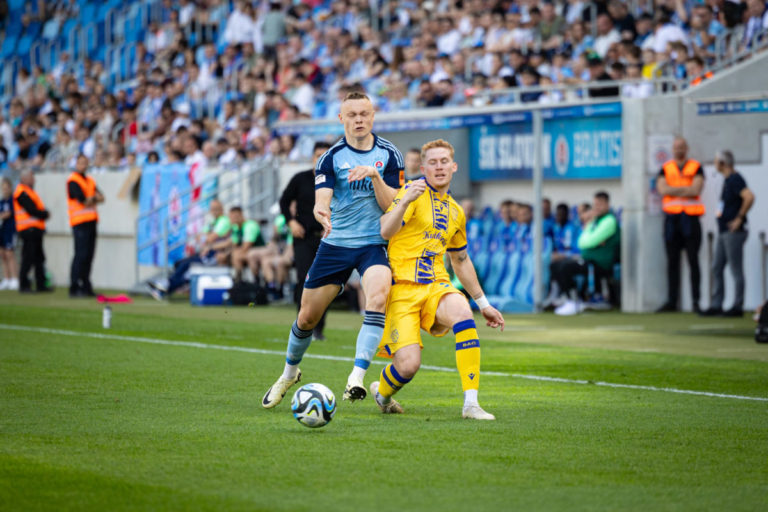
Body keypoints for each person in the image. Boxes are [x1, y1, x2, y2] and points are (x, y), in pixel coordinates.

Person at [262, 91, 404, 408]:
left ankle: (356, 378)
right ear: (342, 119)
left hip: (374, 243)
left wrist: (375, 175)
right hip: (336, 243)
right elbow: (321, 199)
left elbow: (392, 204)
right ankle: (289, 373)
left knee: (378, 297)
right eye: (351, 114)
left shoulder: (390, 155)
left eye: (364, 114)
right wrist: (321, 212)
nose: (358, 119)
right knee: (307, 317)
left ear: (372, 116)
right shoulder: (330, 158)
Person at [371, 139, 505, 420]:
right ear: (423, 168)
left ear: (454, 167)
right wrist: (405, 199)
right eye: (433, 162)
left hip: (436, 285)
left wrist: (484, 303)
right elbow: (385, 229)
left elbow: (461, 260)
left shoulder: (456, 211)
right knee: (408, 366)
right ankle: (382, 394)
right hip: (402, 289)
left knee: (460, 310)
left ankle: (471, 403)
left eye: (444, 161)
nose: (439, 166)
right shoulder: (410, 192)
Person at [279, 141, 331, 340]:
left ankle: (318, 328)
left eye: (325, 155)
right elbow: (284, 201)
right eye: (318, 155)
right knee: (304, 279)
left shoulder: (337, 181)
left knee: (325, 283)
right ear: (312, 157)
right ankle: (302, 325)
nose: (321, 158)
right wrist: (291, 222)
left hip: (328, 239)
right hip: (304, 237)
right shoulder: (300, 179)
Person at [700, 150, 755, 317]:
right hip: (724, 231)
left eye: (717, 161)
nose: (715, 164)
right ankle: (717, 303)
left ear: (723, 163)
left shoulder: (736, 179)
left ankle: (737, 305)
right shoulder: (727, 180)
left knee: (735, 269)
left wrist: (739, 217)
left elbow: (749, 197)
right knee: (717, 267)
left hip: (733, 232)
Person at [655, 136, 705, 313]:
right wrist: (686, 190)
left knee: (693, 261)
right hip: (672, 221)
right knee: (672, 263)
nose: (679, 150)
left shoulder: (696, 167)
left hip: (691, 220)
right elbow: (662, 189)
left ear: (687, 148)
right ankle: (672, 301)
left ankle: (696, 301)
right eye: (676, 147)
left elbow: (696, 189)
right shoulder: (666, 168)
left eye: (682, 147)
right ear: (672, 149)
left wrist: (674, 190)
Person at [147, 199, 232, 300]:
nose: (214, 211)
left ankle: (165, 286)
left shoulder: (224, 221)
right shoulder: (213, 222)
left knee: (188, 270)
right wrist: (205, 240)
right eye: (212, 209)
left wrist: (206, 240)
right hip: (205, 252)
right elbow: (200, 237)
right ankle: (164, 288)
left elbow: (209, 238)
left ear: (222, 209)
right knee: (179, 263)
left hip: (214, 255)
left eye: (216, 209)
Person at [552, 191, 620, 315]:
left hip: (600, 263)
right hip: (588, 259)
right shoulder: (595, 221)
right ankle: (569, 298)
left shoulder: (609, 220)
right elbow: (582, 242)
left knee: (566, 267)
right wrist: (592, 238)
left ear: (607, 204)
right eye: (595, 204)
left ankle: (574, 301)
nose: (597, 207)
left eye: (600, 204)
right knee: (556, 265)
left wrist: (592, 240)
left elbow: (588, 242)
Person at [68, 154, 105, 297]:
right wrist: (93, 199)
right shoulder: (73, 180)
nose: (83, 165)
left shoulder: (89, 180)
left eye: (85, 163)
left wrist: (92, 199)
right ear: (76, 164)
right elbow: (83, 200)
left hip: (91, 221)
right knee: (80, 255)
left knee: (89, 255)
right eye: (81, 163)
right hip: (79, 222)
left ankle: (86, 285)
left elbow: (102, 197)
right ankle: (74, 286)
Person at [13, 170, 51, 293]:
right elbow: (31, 210)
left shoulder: (29, 191)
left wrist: (42, 214)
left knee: (39, 258)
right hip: (28, 229)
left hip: (35, 229)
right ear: (24, 178)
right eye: (31, 177)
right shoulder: (21, 192)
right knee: (28, 258)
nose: (34, 180)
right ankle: (24, 285)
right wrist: (45, 214)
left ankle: (41, 284)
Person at [0, 177, 19, 290]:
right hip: (1, 231)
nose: (5, 190)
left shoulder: (13, 200)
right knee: (2, 255)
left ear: (10, 188)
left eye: (7, 188)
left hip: (10, 230)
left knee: (10, 254)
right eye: (3, 188)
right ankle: (6, 278)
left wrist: (2, 216)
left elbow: (9, 213)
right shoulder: (1, 201)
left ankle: (15, 278)